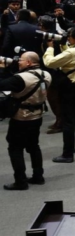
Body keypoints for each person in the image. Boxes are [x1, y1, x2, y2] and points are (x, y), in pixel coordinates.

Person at [42, 25, 75, 163]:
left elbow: (49, 62)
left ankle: (67, 154)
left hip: (70, 88)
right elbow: (72, 56)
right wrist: (64, 45)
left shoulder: (72, 52)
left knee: (68, 120)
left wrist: (50, 48)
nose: (67, 38)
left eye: (69, 36)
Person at [0, 52, 51, 190]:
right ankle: (38, 176)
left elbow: (2, 85)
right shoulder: (46, 74)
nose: (18, 62)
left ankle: (20, 181)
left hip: (21, 117)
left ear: (28, 62)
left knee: (15, 148)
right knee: (34, 146)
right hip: (37, 116)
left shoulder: (20, 78)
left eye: (21, 60)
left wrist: (3, 69)